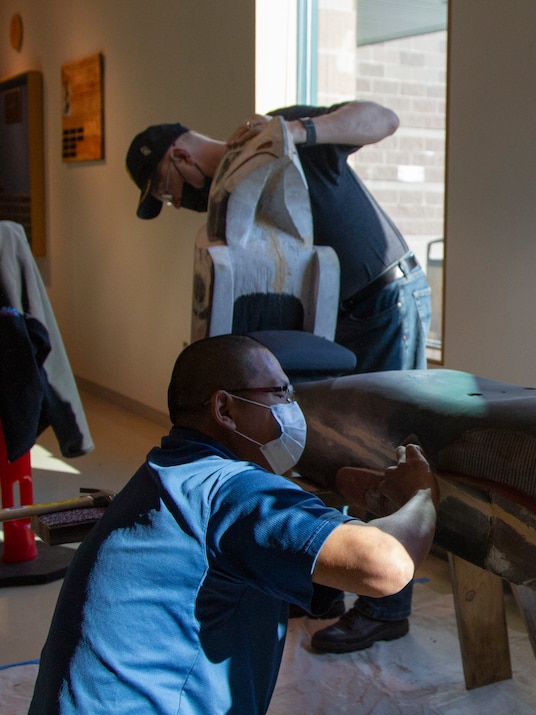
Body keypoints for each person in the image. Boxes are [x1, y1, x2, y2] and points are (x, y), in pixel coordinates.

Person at [124, 100, 431, 653]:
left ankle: (387, 606)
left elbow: (384, 119)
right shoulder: (231, 197)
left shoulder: (275, 134)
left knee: (383, 443)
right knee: (329, 443)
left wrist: (301, 131)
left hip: (383, 296)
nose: (173, 202)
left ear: (180, 154)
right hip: (333, 315)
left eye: (166, 187)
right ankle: (331, 578)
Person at [26, 334, 438, 715]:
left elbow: (266, 543)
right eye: (280, 394)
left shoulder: (168, 473)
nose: (292, 408)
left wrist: (339, 501)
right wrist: (421, 496)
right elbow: (388, 564)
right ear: (225, 409)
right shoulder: (229, 492)